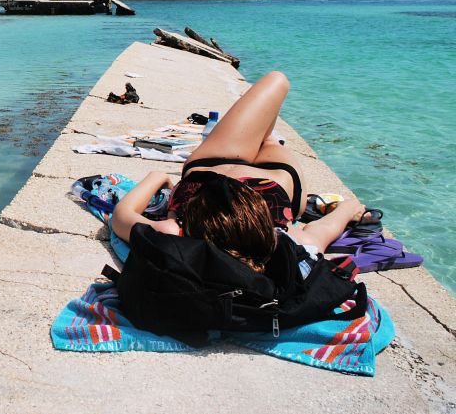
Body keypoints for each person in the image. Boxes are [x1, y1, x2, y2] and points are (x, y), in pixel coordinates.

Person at [111, 71, 369, 271]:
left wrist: (349, 209)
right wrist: (160, 178)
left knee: (276, 90)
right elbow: (123, 215)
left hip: (271, 178)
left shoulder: (284, 245)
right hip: (221, 167)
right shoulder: (176, 234)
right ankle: (263, 138)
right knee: (276, 86)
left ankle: (263, 138)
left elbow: (120, 216)